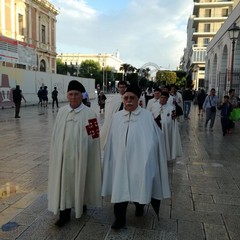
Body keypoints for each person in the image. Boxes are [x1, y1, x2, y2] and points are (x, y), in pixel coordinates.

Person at [101, 84, 171, 230]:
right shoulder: (117, 117)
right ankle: (119, 219)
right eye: (125, 98)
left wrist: (147, 155)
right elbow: (111, 140)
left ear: (138, 99)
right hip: (120, 162)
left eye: (132, 98)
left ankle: (140, 206)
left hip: (140, 162)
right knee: (120, 189)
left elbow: (155, 139)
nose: (128, 101)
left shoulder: (146, 117)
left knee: (140, 186)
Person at [48, 80, 102, 227]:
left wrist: (87, 154)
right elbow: (56, 135)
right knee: (64, 185)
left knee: (81, 180)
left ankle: (81, 203)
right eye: (70, 94)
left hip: (81, 157)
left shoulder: (90, 114)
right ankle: (64, 215)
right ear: (67, 95)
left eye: (76, 94)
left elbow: (94, 138)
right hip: (63, 159)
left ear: (81, 96)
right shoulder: (61, 112)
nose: (73, 97)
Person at [151, 92, 182, 161]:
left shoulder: (171, 108)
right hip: (155, 129)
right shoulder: (154, 105)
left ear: (167, 99)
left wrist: (166, 123)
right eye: (161, 97)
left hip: (166, 130)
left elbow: (172, 121)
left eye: (165, 98)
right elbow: (151, 115)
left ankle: (165, 156)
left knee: (165, 143)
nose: (162, 99)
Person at [100, 80, 127, 148]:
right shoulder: (115, 99)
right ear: (118, 88)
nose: (122, 89)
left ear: (126, 88)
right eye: (120, 87)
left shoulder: (128, 98)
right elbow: (110, 113)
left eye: (123, 87)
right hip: (116, 122)